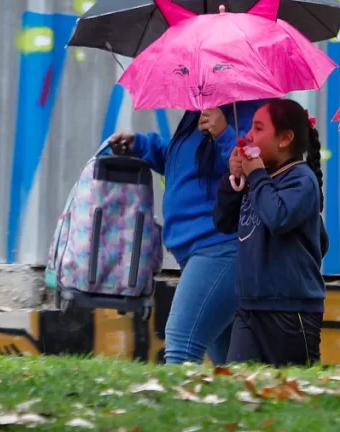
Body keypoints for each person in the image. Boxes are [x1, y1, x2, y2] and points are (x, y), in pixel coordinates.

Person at [109, 101, 262, 365]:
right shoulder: (200, 111)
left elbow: (256, 170)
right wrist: (142, 146)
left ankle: (169, 406)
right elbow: (185, 162)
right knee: (230, 366)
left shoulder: (250, 110)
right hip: (197, 250)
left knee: (181, 346)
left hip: (221, 247)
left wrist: (224, 134)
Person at [212, 98, 327, 367]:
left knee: (292, 394)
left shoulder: (301, 179)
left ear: (285, 138)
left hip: (290, 310)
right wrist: (235, 179)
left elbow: (278, 217)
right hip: (250, 306)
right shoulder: (260, 178)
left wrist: (257, 176)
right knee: (238, 388)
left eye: (258, 128)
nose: (248, 136)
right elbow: (223, 222)